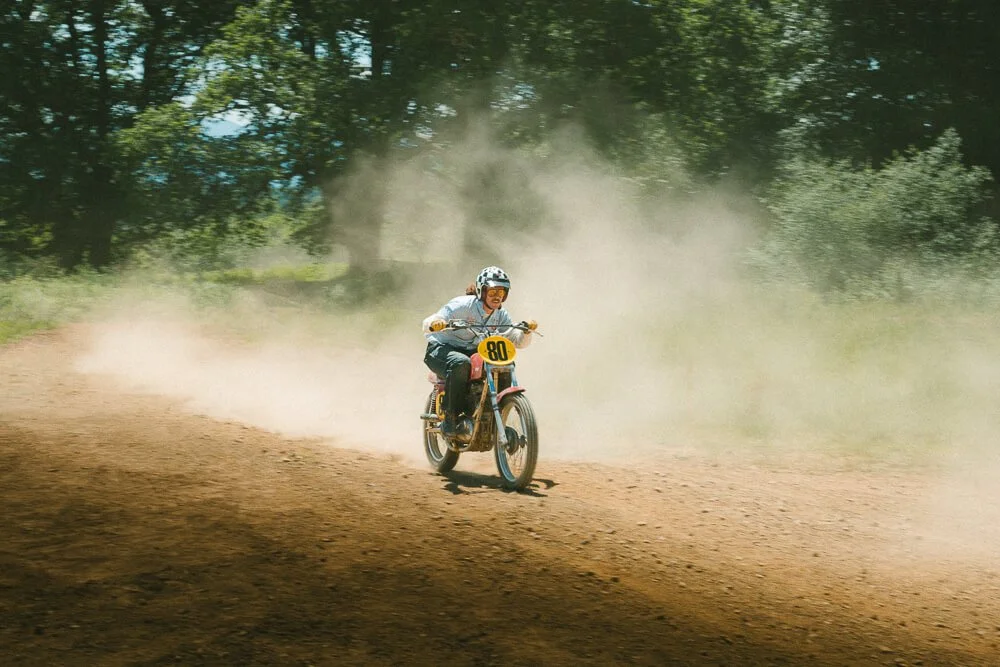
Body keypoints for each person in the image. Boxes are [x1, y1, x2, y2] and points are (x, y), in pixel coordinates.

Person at [422, 266, 535, 439]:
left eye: (502, 291)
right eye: (492, 291)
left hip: (473, 350)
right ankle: (450, 421)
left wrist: (526, 331)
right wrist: (437, 323)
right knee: (461, 363)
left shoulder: (501, 315)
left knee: (501, 363)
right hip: (442, 349)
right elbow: (430, 321)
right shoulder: (461, 305)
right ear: (482, 291)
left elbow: (516, 340)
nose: (497, 296)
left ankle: (493, 412)